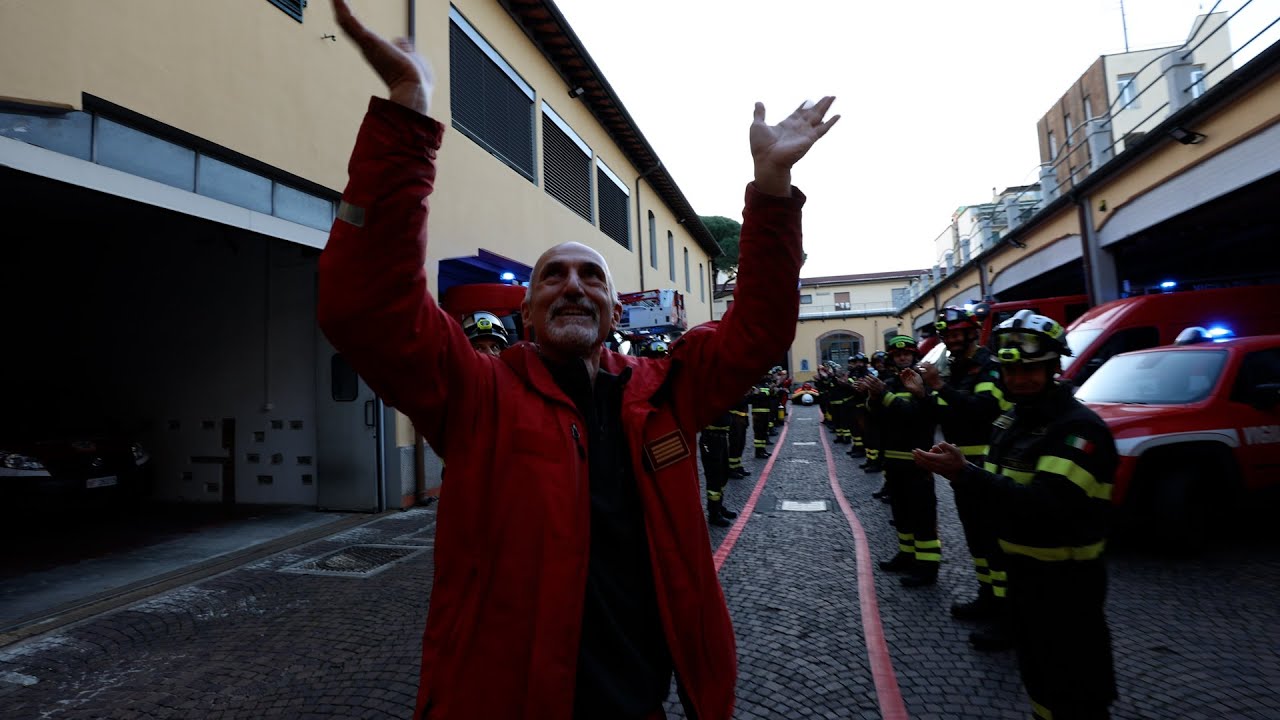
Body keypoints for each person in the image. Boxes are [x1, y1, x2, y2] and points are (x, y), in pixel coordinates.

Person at [319, 3, 840, 717]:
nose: (572, 285)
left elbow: (759, 327)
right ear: (525, 313)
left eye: (591, 277)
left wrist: (772, 189)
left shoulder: (667, 392)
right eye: (552, 276)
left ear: (614, 312)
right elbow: (367, 305)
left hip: (640, 700)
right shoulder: (477, 396)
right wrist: (409, 118)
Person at [914, 310, 1118, 720]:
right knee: (1040, 683)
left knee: (1076, 690)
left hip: (1067, 586)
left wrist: (964, 474)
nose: (1020, 378)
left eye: (1032, 369)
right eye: (1011, 369)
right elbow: (1000, 484)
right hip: (1026, 579)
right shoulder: (1014, 421)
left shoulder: (1077, 430)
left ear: (1054, 367)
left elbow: (1048, 506)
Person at [919, 305, 1015, 650]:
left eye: (959, 333)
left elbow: (983, 410)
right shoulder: (958, 369)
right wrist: (926, 395)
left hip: (989, 465)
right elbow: (947, 412)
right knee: (975, 536)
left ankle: (1009, 615)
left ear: (973, 333)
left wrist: (939, 386)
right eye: (949, 335)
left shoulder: (988, 367)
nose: (954, 340)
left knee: (995, 539)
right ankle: (987, 595)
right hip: (963, 468)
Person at [862, 335, 940, 587]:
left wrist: (883, 396)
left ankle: (927, 566)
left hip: (918, 460)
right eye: (897, 355)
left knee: (922, 516)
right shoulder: (890, 382)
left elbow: (917, 417)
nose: (902, 358)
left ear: (914, 355)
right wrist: (873, 399)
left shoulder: (922, 382)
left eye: (906, 353)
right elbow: (877, 417)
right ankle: (906, 554)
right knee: (902, 513)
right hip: (894, 459)